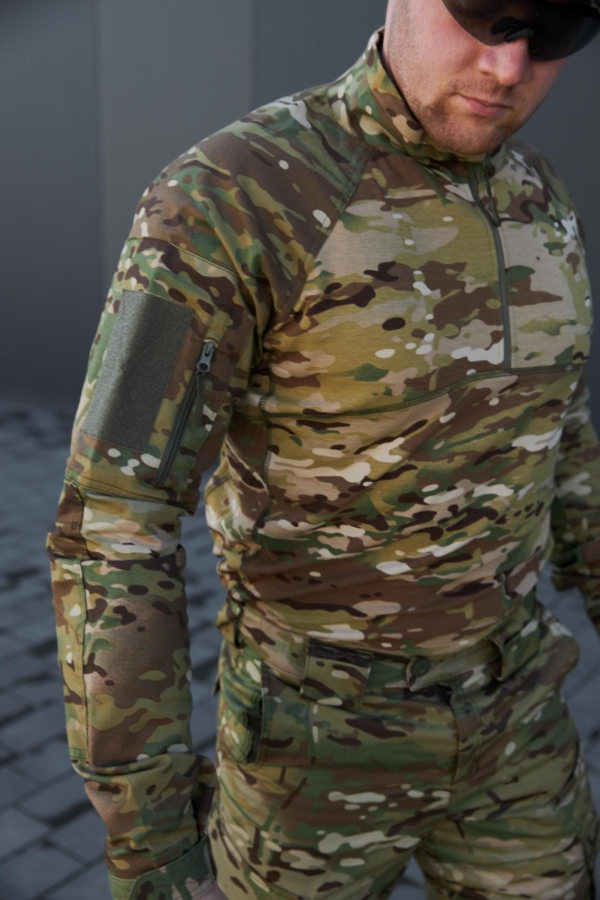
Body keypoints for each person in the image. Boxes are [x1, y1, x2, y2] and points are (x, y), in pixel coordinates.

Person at [47, 1, 600, 898]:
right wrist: (151, 844)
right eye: (485, 12)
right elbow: (113, 519)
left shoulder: (538, 196)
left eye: (555, 33)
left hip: (520, 721)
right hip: (311, 754)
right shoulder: (224, 197)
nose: (508, 66)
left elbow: (561, 426)